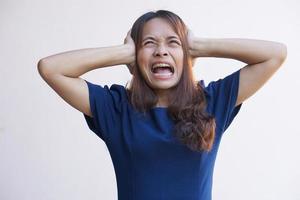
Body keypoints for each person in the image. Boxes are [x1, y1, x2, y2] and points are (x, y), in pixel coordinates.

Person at [37, 10, 287, 200]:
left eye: (173, 43)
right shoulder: (115, 109)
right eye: (149, 43)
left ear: (186, 54)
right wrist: (123, 52)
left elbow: (275, 54)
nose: (161, 51)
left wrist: (199, 46)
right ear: (135, 55)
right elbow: (51, 68)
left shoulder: (211, 102)